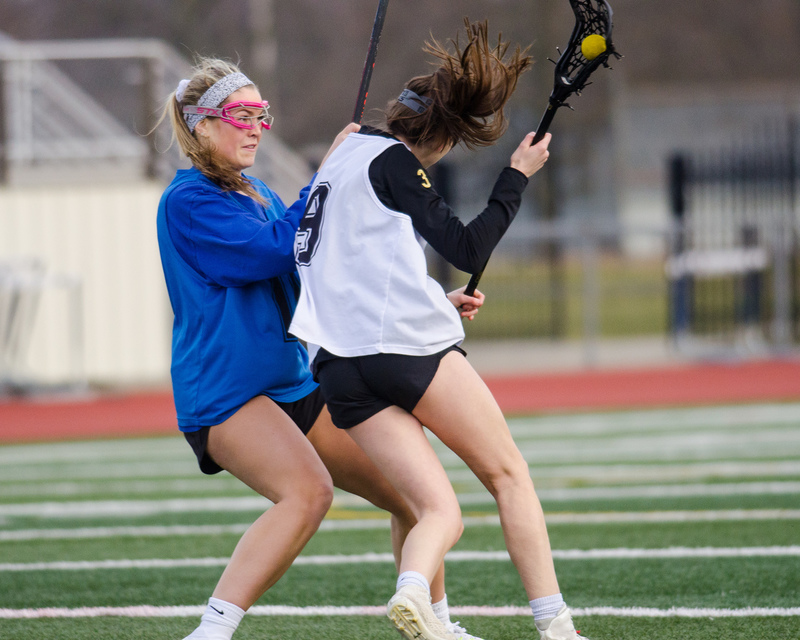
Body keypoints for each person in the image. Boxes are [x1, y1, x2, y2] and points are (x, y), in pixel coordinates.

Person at [156, 57, 484, 640]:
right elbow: (274, 249)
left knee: (411, 493)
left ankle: (439, 626)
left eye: (262, 114)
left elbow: (317, 264)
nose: (257, 126)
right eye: (242, 115)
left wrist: (432, 304)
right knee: (308, 493)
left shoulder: (253, 189)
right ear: (203, 125)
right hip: (228, 392)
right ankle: (210, 632)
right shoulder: (188, 202)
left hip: (291, 383)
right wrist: (326, 174)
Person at [291, 20, 586, 640]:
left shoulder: (342, 152)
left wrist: (435, 300)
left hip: (339, 369)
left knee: (429, 507)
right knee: (508, 476)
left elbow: (350, 261)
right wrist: (518, 176)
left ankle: (428, 611)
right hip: (406, 353)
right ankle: (554, 625)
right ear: (445, 139)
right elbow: (466, 244)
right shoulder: (397, 162)